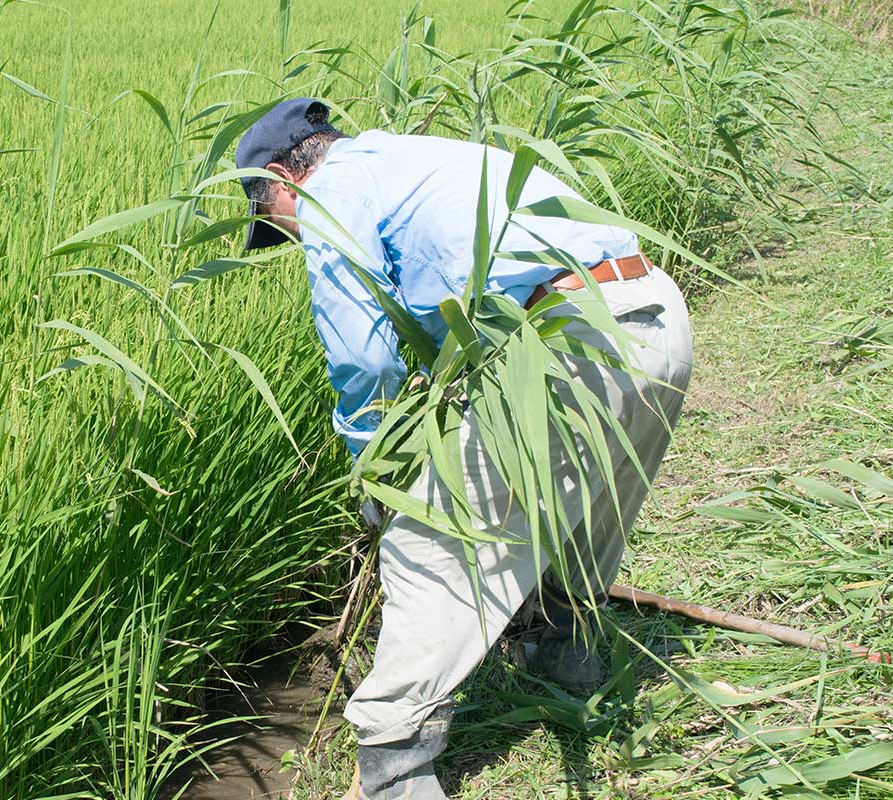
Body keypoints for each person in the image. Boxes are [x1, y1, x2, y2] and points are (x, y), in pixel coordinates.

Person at [233, 98, 694, 799]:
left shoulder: (331, 195)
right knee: (588, 505)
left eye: (276, 225)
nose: (294, 240)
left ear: (284, 180)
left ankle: (392, 767)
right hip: (652, 314)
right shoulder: (411, 158)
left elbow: (363, 358)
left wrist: (377, 468)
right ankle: (564, 655)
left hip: (573, 343)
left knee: (431, 541)